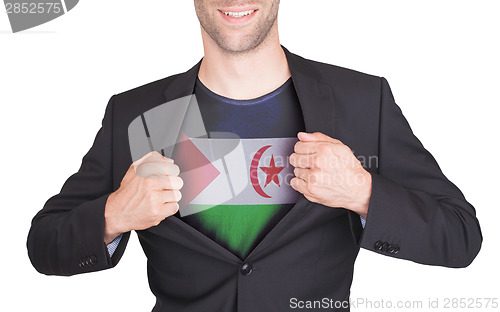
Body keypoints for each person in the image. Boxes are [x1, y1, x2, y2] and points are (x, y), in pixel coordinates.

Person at [27, 1, 482, 311]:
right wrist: (114, 214)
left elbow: (460, 236)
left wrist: (363, 192)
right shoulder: (136, 113)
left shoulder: (362, 101)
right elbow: (44, 245)